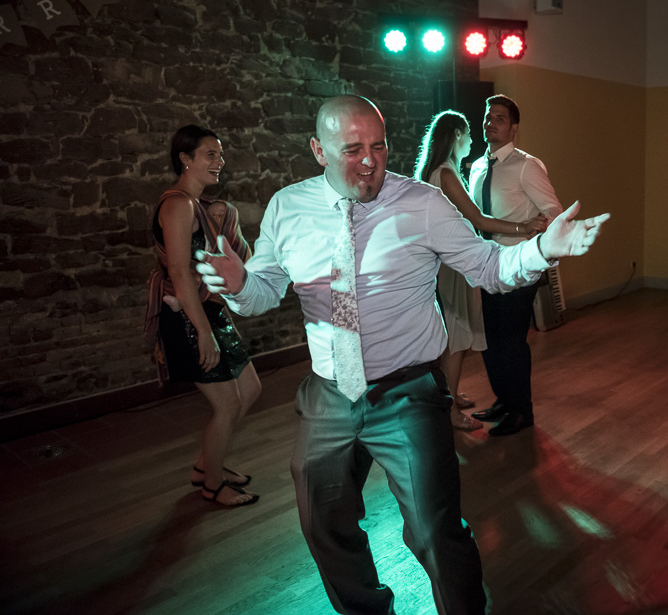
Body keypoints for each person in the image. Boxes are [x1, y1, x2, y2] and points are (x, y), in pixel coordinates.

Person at [195, 95, 609, 614]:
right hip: (329, 394)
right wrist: (238, 284)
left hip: (407, 393)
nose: (369, 161)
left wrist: (543, 249)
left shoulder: (423, 204)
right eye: (352, 149)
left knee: (437, 532)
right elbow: (263, 292)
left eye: (379, 146)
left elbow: (487, 267)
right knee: (322, 524)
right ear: (317, 150)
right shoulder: (288, 206)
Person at [144, 125, 261, 507]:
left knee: (251, 389)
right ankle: (213, 485)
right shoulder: (177, 204)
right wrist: (203, 333)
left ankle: (206, 465)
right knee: (226, 405)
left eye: (220, 155)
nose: (219, 162)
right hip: (189, 319)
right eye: (211, 154)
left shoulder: (199, 206)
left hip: (208, 311)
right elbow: (179, 273)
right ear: (186, 159)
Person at [415, 110, 547, 431]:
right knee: (457, 338)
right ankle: (449, 411)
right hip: (456, 264)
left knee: (459, 335)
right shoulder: (447, 174)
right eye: (470, 133)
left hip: (455, 262)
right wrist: (524, 225)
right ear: (457, 137)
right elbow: (480, 220)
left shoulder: (443, 171)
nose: (475, 138)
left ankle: (459, 398)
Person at [469, 94, 564, 436]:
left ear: (514, 128)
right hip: (484, 264)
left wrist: (535, 248)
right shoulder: (478, 166)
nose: (490, 123)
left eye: (499, 118)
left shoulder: (527, 165)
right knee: (490, 340)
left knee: (511, 341)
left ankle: (522, 411)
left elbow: (554, 212)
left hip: (516, 267)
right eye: (487, 116)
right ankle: (504, 402)